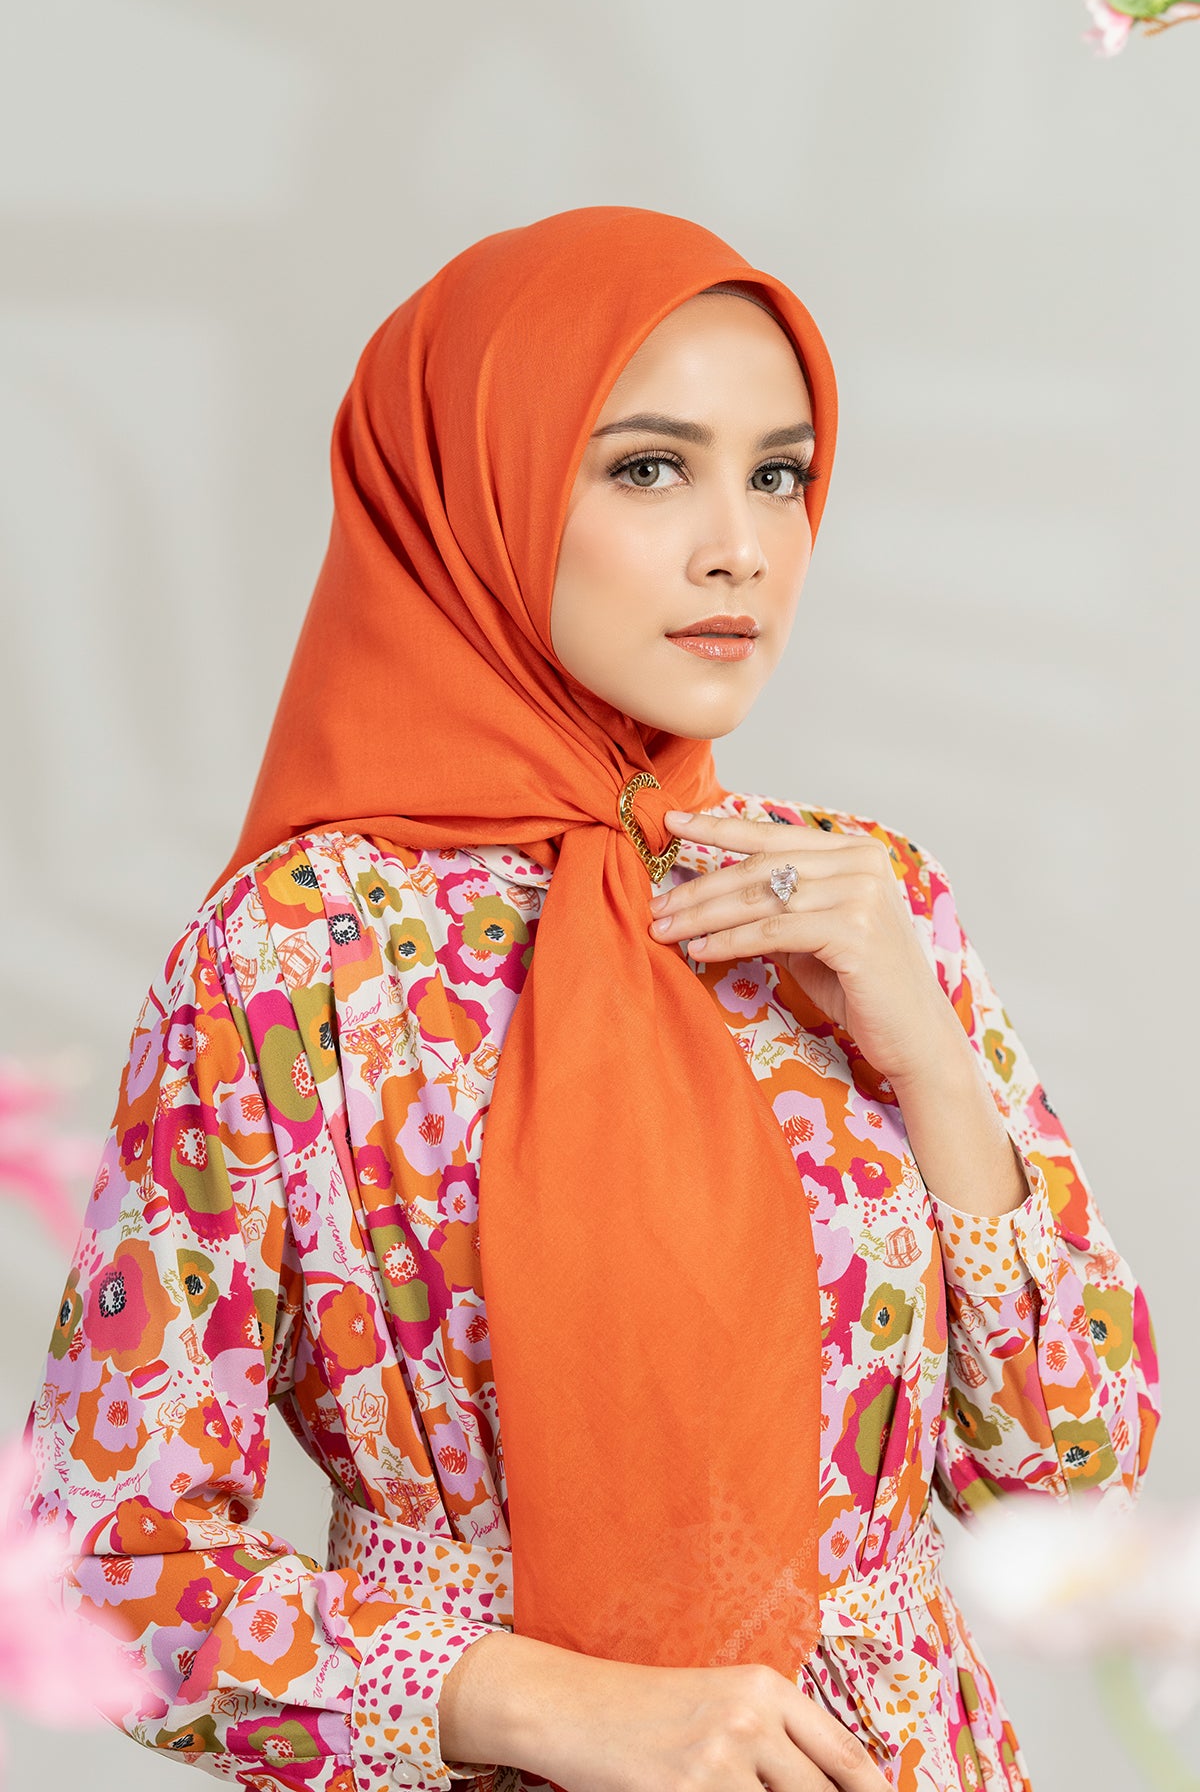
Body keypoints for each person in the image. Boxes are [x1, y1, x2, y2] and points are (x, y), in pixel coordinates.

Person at [24, 206, 1158, 1792]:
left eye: (780, 473)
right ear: (477, 490)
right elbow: (105, 1558)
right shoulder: (293, 956)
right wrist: (539, 1705)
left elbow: (1072, 1485)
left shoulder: (860, 903)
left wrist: (930, 1063)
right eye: (648, 468)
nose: (740, 545)